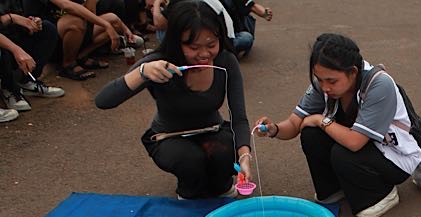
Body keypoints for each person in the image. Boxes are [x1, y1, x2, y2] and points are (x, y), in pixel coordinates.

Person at [255, 33, 421, 217]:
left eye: (332, 81)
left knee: (341, 152)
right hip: (363, 147)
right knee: (311, 135)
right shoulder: (324, 84)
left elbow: (354, 142)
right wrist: (274, 129)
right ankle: (334, 188)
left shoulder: (379, 85)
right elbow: (295, 123)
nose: (325, 86)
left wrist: (321, 120)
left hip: (395, 157)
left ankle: (382, 194)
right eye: (319, 79)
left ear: (352, 72)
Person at [95, 0, 252, 199]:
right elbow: (103, 101)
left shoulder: (225, 61)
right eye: (194, 47)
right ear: (177, 42)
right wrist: (143, 72)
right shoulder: (159, 63)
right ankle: (189, 190)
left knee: (224, 153)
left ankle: (222, 185)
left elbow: (239, 117)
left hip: (212, 131)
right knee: (190, 161)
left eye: (211, 45)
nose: (204, 54)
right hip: (169, 136)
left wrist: (244, 155)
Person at [22, 0, 134, 80]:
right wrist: (105, 25)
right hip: (49, 37)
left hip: (74, 36)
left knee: (113, 21)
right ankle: (68, 64)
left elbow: (90, 13)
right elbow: (67, 6)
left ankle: (81, 57)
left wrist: (124, 28)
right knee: (75, 23)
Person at [0, 1, 65, 106]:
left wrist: (30, 23)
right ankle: (9, 89)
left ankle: (27, 82)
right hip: (4, 47)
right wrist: (11, 18)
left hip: (13, 39)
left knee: (47, 28)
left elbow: (20, 18)